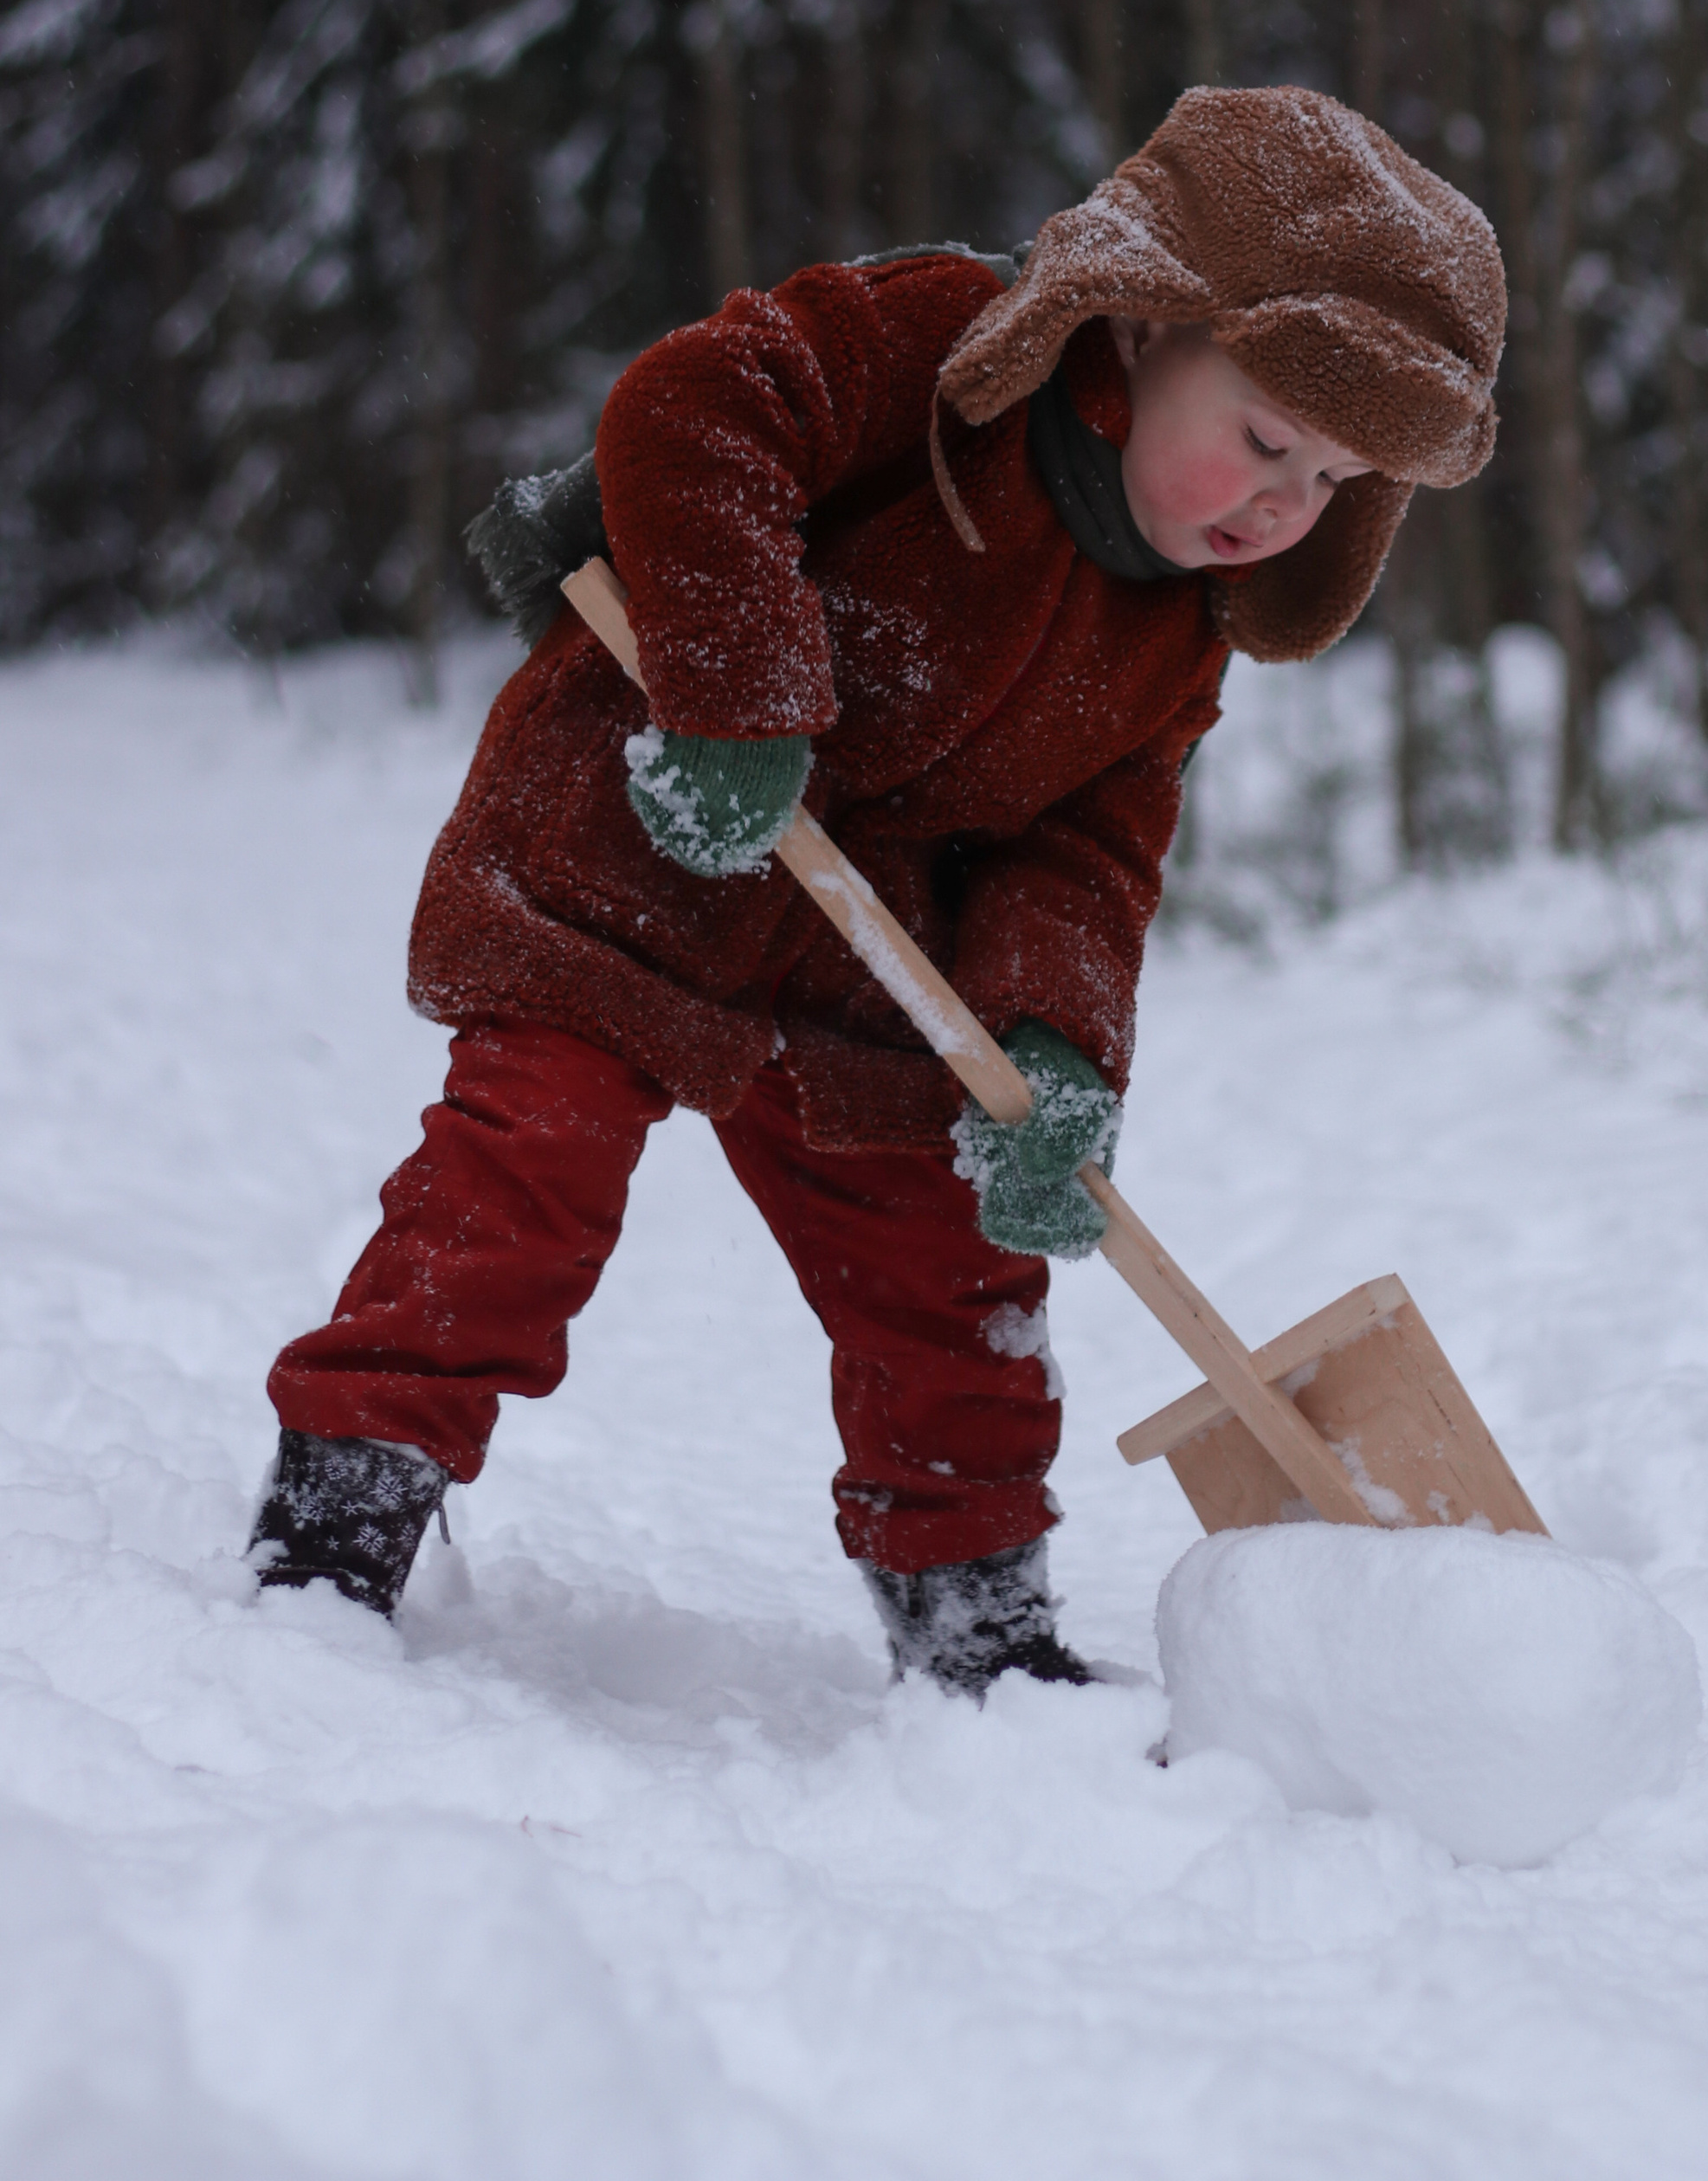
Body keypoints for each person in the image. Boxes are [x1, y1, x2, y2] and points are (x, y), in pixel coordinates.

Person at [248, 86, 1506, 1694]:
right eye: (1267, 437)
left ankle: (976, 1617)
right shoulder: (942, 352)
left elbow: (1090, 850)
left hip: (876, 930)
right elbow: (693, 408)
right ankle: (345, 1509)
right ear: (1141, 328)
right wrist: (733, 683)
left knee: (948, 1270)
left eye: (1332, 484)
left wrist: (1051, 1052)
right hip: (655, 813)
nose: (1279, 505)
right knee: (526, 1174)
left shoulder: (1180, 638)